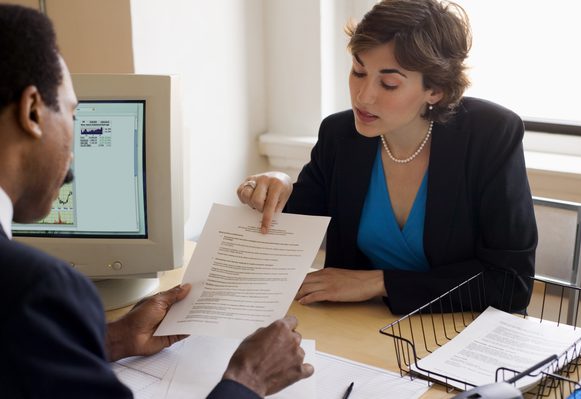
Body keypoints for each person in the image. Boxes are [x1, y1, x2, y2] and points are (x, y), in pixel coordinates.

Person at [0, 4, 312, 398]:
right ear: (32, 111)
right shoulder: (36, 290)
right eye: (72, 114)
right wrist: (247, 380)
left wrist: (114, 339)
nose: (75, 149)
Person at [238, 0, 537, 314]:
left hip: (456, 332)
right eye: (358, 71)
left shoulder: (490, 134)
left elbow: (511, 283)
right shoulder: (340, 135)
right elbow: (292, 230)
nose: (363, 97)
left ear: (435, 90)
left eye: (389, 83)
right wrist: (279, 186)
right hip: (359, 327)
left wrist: (380, 282)